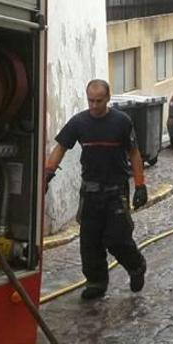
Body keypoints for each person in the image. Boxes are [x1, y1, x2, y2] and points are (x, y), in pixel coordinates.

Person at [44, 80, 148, 300]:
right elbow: (60, 148)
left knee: (117, 238)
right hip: (90, 192)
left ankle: (136, 266)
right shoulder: (79, 123)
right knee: (89, 241)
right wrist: (47, 174)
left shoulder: (121, 122)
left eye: (99, 101)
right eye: (90, 100)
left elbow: (134, 154)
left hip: (115, 191)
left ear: (108, 98)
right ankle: (96, 282)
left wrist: (140, 185)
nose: (94, 105)